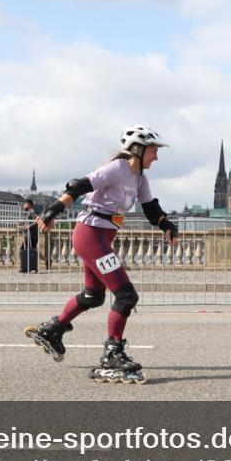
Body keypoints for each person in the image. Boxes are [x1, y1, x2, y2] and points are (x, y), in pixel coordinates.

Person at [24, 125, 178, 384]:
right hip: (91, 236)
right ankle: (112, 353)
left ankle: (53, 329)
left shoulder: (139, 178)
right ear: (138, 150)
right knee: (126, 295)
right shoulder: (117, 169)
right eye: (153, 150)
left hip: (102, 238)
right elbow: (80, 185)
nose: (156, 156)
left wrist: (167, 225)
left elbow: (151, 207)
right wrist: (52, 210)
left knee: (93, 296)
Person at [19, 199, 39, 273]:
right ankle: (30, 267)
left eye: (25, 204)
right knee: (31, 252)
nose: (24, 206)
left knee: (23, 250)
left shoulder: (32, 212)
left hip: (32, 236)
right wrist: (24, 222)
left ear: (29, 205)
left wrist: (29, 226)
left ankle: (25, 267)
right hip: (31, 235)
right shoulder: (29, 213)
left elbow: (37, 220)